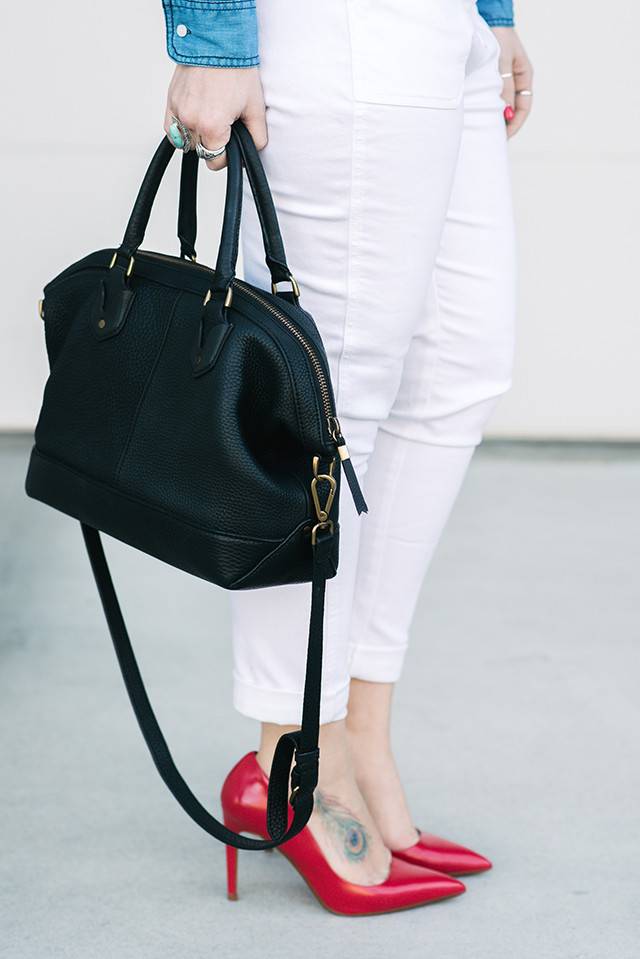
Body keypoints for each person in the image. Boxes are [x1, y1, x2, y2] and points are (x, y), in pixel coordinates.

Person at [161, 0, 533, 916]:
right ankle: (292, 758)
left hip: (443, 29)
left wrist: (493, 14)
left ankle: (359, 737)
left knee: (457, 368)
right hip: (339, 28)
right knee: (324, 401)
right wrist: (213, 40)